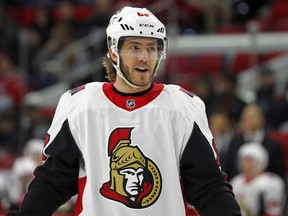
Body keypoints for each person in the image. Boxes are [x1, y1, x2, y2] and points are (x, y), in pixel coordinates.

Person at [6, 6, 241, 216]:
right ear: (114, 51)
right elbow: (54, 179)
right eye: (134, 47)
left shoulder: (182, 107)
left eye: (152, 48)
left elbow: (208, 186)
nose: (144, 57)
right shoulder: (78, 104)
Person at [224, 103, 286, 181]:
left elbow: (279, 175)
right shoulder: (234, 143)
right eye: (244, 117)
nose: (247, 121)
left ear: (262, 119)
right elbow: (229, 169)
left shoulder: (273, 145)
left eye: (251, 117)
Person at [230, 143, 286, 216]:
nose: (246, 164)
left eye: (250, 160)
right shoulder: (236, 181)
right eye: (244, 160)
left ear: (260, 161)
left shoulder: (271, 183)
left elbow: (273, 212)